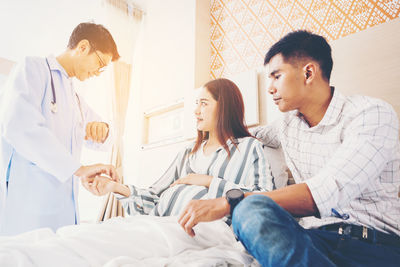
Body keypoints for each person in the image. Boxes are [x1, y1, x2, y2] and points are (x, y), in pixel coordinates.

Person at [178, 30, 400, 266]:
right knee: (248, 212)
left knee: (243, 204)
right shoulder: (287, 124)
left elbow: (327, 191)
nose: (270, 88)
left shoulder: (370, 114)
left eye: (276, 76)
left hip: (373, 243)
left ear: (308, 72)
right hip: (311, 240)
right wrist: (213, 133)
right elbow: (250, 136)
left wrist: (229, 201)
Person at [82, 78, 274, 217]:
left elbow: (265, 198)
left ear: (224, 107)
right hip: (161, 221)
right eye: (196, 104)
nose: (196, 111)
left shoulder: (249, 148)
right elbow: (154, 197)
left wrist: (207, 181)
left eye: (204, 104)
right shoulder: (188, 152)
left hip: (201, 230)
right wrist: (115, 187)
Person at [0, 22, 121, 236]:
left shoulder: (75, 97)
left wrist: (102, 130)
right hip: (31, 201)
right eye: (100, 63)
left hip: (64, 204)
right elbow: (20, 126)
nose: (99, 72)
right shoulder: (33, 68)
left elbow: (108, 137)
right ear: (83, 47)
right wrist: (79, 169)